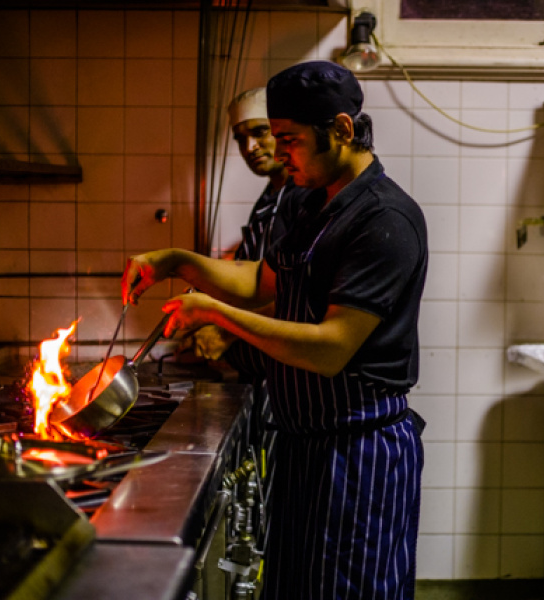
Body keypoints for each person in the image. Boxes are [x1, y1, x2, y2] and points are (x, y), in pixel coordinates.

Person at [122, 61, 428, 600]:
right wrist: (174, 261)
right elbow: (260, 281)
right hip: (304, 444)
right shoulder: (310, 201)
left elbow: (332, 348)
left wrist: (214, 314)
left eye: (290, 139)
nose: (280, 153)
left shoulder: (384, 219)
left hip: (359, 453)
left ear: (341, 129)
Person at [181, 86, 309, 565]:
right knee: (262, 517)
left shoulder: (301, 197)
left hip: (289, 383)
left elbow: (296, 295)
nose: (250, 147)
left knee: (283, 522)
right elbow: (256, 275)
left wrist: (225, 328)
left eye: (260, 133)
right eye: (240, 138)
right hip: (260, 376)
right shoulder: (270, 196)